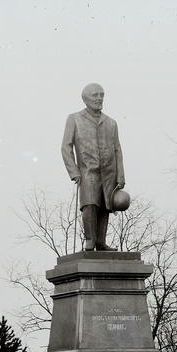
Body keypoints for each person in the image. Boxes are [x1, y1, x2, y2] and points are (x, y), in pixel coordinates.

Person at [61, 83, 126, 251]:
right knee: (90, 204)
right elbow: (66, 147)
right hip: (87, 171)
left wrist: (121, 176)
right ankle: (90, 239)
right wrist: (74, 172)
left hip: (109, 172)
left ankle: (100, 242)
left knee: (105, 205)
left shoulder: (111, 123)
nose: (99, 98)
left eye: (102, 95)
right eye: (96, 95)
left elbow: (118, 150)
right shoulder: (74, 118)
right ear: (85, 99)